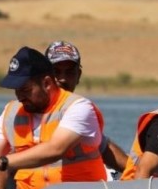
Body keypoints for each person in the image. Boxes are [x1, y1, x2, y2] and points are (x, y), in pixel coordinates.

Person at [0, 46, 107, 189]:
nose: (20, 96)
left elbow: (55, 149)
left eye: (25, 90)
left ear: (47, 84)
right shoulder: (10, 112)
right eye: (16, 89)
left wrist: (4, 161)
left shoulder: (78, 108)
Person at [44, 40, 128, 172]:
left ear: (78, 76)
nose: (63, 79)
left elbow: (103, 147)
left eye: (70, 72)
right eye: (56, 72)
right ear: (44, 76)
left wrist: (140, 173)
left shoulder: (81, 110)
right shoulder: (26, 109)